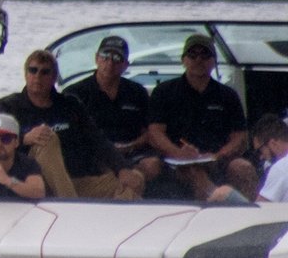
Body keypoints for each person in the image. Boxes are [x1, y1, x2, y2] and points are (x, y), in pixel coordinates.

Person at [0, 50, 143, 200]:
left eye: (45, 72)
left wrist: (122, 168)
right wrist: (23, 138)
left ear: (54, 77)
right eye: (33, 70)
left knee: (135, 180)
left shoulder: (70, 105)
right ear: (26, 75)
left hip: (78, 180)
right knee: (47, 138)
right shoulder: (8, 106)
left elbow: (97, 140)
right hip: (33, 183)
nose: (38, 76)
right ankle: (70, 206)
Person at [149, 34, 258, 201]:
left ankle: (251, 215)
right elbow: (155, 133)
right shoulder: (164, 92)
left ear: (214, 61)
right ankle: (218, 208)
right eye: (192, 55)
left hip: (218, 158)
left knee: (244, 168)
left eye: (205, 55)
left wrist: (218, 156)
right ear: (183, 60)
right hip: (177, 161)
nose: (198, 59)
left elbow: (240, 136)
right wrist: (179, 154)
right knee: (195, 172)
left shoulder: (228, 95)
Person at [67, 34, 162, 190]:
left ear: (125, 64)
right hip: (95, 155)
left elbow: (150, 131)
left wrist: (130, 146)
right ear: (96, 58)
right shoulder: (75, 93)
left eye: (117, 58)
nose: (110, 62)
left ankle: (130, 181)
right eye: (105, 56)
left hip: (132, 152)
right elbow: (71, 136)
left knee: (153, 164)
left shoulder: (137, 92)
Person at [208, 116, 288, 204]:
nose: (261, 157)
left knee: (222, 192)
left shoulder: (280, 168)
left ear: (273, 143)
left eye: (260, 151)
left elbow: (262, 210)